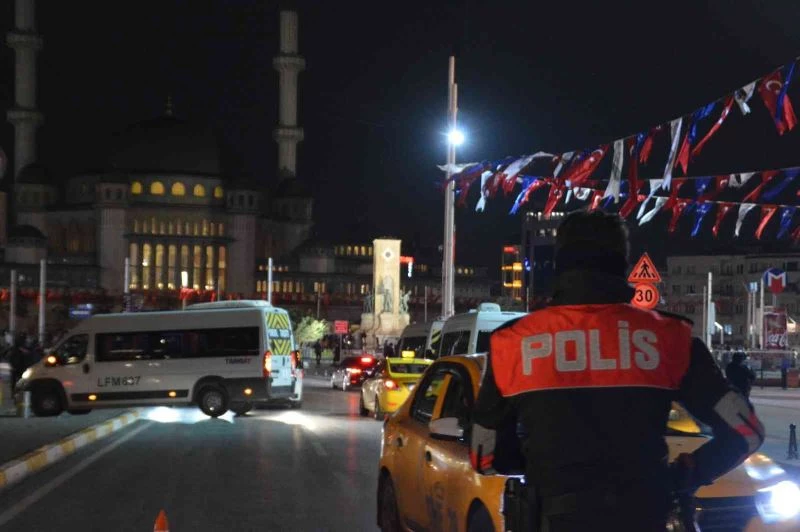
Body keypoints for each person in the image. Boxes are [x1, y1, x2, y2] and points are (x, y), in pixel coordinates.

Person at [472, 210, 764, 532]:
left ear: (559, 264)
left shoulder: (513, 342)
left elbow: (483, 455)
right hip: (644, 515)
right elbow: (747, 433)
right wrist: (683, 476)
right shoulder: (669, 339)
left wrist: (538, 466)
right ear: (622, 264)